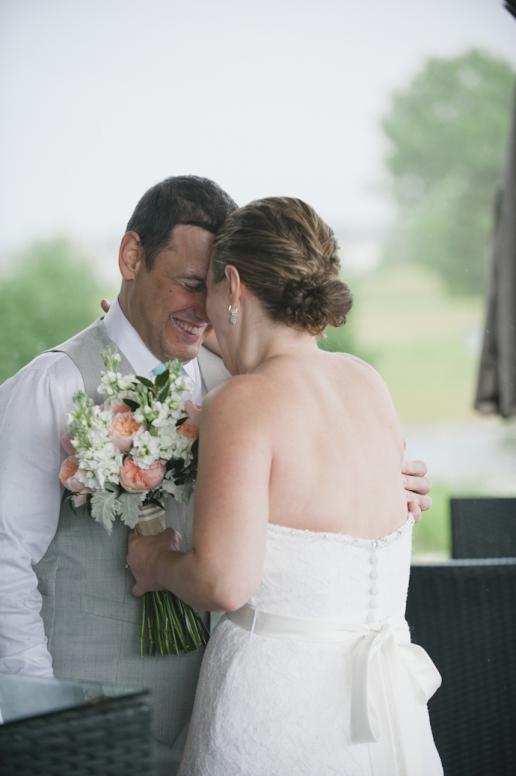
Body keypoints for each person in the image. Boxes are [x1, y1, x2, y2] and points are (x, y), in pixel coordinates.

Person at [0, 177, 430, 775]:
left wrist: (390, 483)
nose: (201, 310)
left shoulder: (238, 381)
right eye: (188, 285)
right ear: (130, 258)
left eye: (210, 289)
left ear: (237, 286)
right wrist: (37, 710)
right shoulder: (55, 384)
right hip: (94, 715)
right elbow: (4, 562)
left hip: (235, 702)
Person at [127, 196, 443, 775]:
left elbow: (224, 583)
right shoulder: (365, 382)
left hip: (277, 710)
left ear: (233, 283)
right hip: (381, 717)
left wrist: (157, 563)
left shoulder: (242, 404)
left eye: (210, 294)